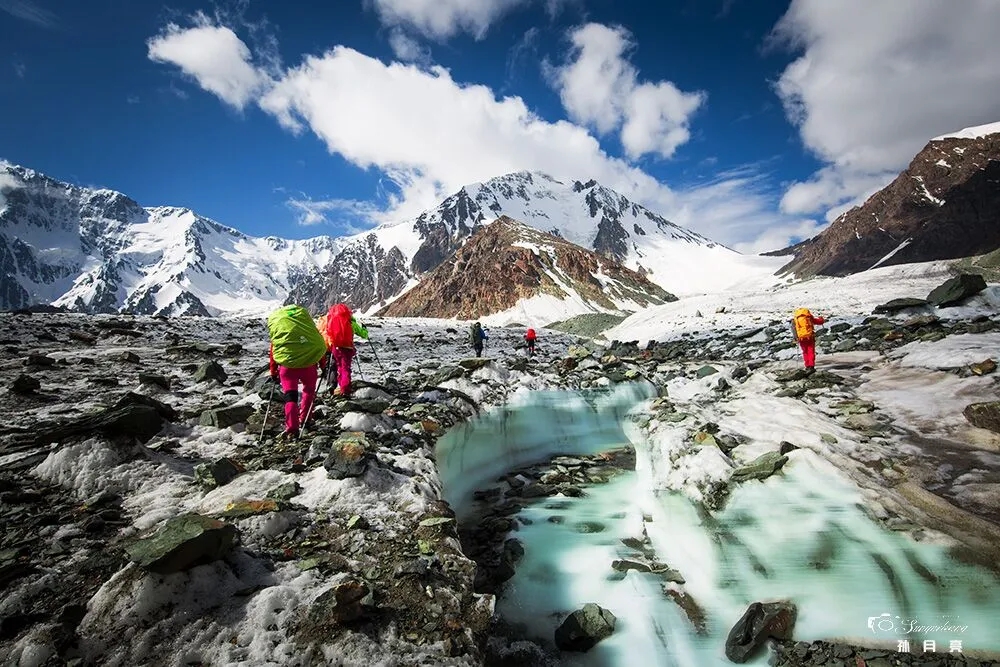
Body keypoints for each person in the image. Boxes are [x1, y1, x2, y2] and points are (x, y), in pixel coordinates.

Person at [267, 304, 328, 440]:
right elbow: (318, 345)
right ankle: (306, 420)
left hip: (288, 367)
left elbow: (274, 352)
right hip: (309, 365)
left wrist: (273, 371)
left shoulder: (281, 332)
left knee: (290, 397)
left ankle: (292, 428)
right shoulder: (308, 329)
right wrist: (323, 366)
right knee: (308, 392)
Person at [324, 303, 369, 396]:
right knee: (345, 368)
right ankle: (345, 389)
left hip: (335, 347)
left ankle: (337, 387)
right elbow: (363, 335)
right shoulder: (350, 321)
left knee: (337, 366)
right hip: (347, 348)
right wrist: (365, 329)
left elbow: (328, 333)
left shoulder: (331, 320)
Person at [791, 307, 826, 372]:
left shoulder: (795, 319)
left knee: (805, 352)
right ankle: (811, 366)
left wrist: (795, 338)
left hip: (801, 338)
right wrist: (821, 319)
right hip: (810, 337)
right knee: (811, 351)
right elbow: (818, 321)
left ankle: (807, 366)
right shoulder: (808, 317)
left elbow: (793, 329)